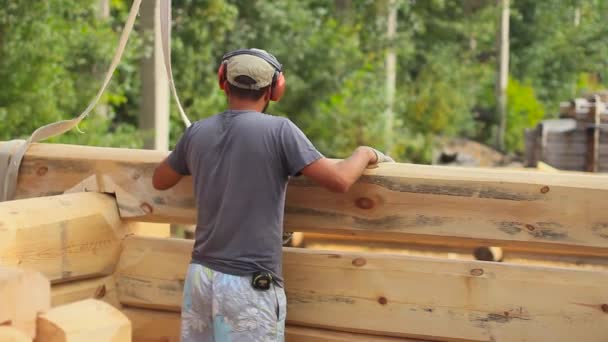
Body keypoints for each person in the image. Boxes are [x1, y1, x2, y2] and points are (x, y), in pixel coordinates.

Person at [152, 48, 393, 342]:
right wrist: (365, 152)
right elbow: (340, 180)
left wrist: (200, 158)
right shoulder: (280, 131)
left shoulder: (197, 132)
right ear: (274, 89)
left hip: (201, 277)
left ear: (223, 82)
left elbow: (160, 180)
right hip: (249, 284)